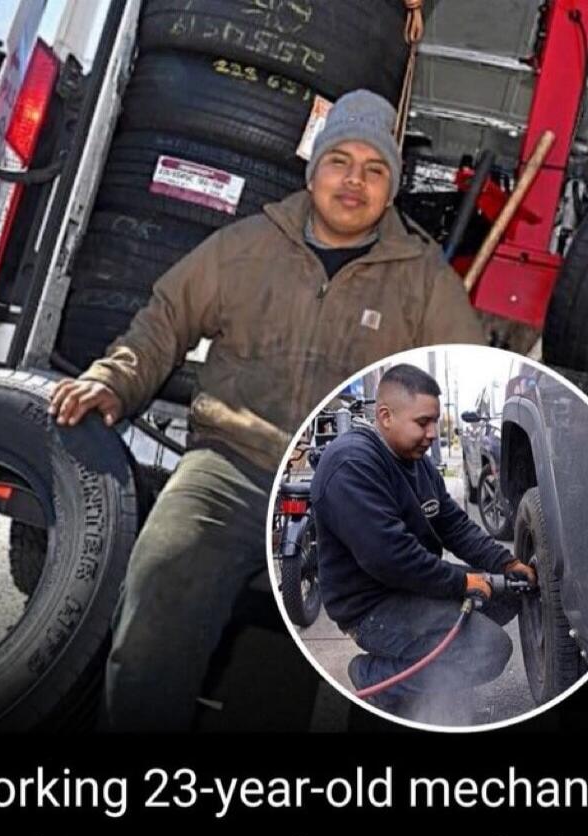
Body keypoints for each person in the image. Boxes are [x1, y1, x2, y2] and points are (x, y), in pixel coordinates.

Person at [49, 89, 486, 731]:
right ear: (314, 173)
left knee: (416, 648)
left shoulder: (423, 280)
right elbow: (165, 321)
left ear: (390, 191)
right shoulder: (247, 245)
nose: (354, 181)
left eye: (374, 170)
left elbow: (467, 384)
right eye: (340, 162)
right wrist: (113, 380)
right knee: (161, 585)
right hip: (232, 466)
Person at [310, 363, 537, 723]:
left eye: (434, 421)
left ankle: (431, 664)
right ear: (385, 416)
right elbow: (391, 558)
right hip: (371, 606)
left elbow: (453, 525)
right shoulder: (352, 464)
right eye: (423, 422)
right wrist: (462, 582)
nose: (433, 433)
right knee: (489, 650)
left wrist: (504, 563)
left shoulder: (417, 463)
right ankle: (375, 678)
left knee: (509, 592)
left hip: (410, 586)